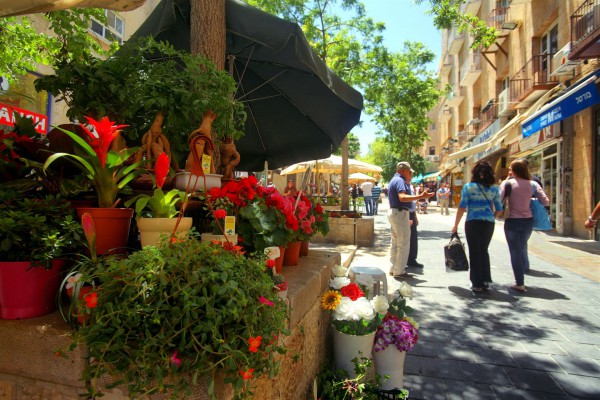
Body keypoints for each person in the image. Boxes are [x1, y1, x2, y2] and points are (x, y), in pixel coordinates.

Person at [451, 162, 503, 293]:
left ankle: (476, 283)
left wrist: (455, 225)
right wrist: (491, 217)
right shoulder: (495, 188)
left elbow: (462, 207)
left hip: (473, 221)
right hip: (488, 223)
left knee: (474, 252)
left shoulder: (469, 187)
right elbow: (499, 210)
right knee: (484, 250)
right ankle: (485, 280)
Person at [500, 159, 549, 293]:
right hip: (528, 221)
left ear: (514, 170)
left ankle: (519, 282)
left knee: (515, 251)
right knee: (521, 248)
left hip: (512, 221)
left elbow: (499, 200)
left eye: (510, 168)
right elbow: (545, 201)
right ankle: (522, 275)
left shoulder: (508, 183)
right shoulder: (533, 184)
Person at [388, 161, 433, 279]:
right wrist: (420, 197)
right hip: (400, 212)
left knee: (396, 243)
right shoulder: (400, 181)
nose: (410, 173)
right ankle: (399, 271)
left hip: (395, 212)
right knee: (403, 243)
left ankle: (394, 268)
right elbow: (402, 197)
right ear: (403, 170)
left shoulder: (394, 180)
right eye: (409, 171)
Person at [407, 181, 423, 269]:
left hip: (411, 213)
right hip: (407, 214)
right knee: (406, 239)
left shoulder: (410, 186)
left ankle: (412, 259)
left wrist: (415, 216)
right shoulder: (402, 185)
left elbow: (412, 203)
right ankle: (406, 260)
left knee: (413, 238)